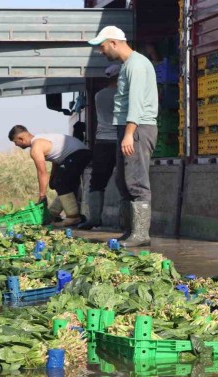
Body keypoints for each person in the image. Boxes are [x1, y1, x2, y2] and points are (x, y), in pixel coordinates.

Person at [88, 26, 158, 247]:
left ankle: (140, 234)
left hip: (136, 128)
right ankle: (130, 231)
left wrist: (129, 134)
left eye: (102, 46)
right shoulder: (128, 65)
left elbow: (135, 103)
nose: (101, 51)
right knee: (123, 181)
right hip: (127, 128)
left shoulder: (136, 65)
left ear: (114, 43)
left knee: (136, 181)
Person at [8, 125, 92, 227]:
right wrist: (53, 177)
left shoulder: (36, 147)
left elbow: (42, 172)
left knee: (60, 182)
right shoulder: (41, 138)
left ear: (21, 138)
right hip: (81, 153)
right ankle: (53, 214)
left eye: (15, 142)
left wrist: (42, 196)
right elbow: (57, 158)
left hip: (77, 154)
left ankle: (74, 218)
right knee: (62, 183)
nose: (16, 145)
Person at [78, 64, 121, 230]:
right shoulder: (123, 95)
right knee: (126, 181)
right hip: (121, 141)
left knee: (97, 181)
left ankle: (94, 219)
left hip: (102, 142)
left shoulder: (98, 95)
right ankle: (127, 221)